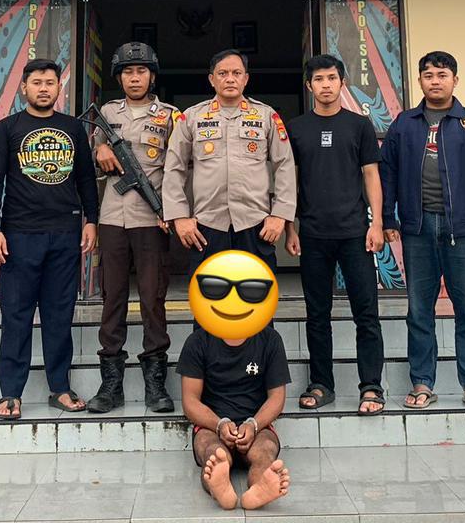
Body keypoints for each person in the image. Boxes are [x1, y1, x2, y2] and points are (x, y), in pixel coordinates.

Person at [379, 50, 465, 412]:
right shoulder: (404, 124)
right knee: (419, 311)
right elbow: (387, 174)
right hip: (417, 229)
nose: (435, 81)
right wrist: (388, 219)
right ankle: (422, 382)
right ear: (419, 81)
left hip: (463, 231)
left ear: (455, 80)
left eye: (442, 75)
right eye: (428, 75)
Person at [0, 59, 98, 419]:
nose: (44, 88)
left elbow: (85, 177)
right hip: (19, 234)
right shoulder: (7, 129)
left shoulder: (72, 128)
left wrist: (92, 220)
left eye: (50, 82)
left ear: (58, 88)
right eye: (37, 82)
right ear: (24, 88)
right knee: (16, 315)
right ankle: (10, 393)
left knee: (59, 314)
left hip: (65, 233)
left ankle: (60, 387)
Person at [284, 54, 387, 415]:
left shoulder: (359, 125)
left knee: (366, 314)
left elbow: (371, 175)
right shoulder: (296, 128)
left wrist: (377, 223)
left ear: (342, 83)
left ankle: (371, 386)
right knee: (317, 314)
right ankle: (321, 384)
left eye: (331, 78)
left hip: (355, 232)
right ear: (309, 85)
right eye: (319, 79)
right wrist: (291, 226)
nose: (325, 85)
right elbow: (290, 181)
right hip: (313, 233)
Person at [86, 42, 180, 414]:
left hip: (152, 219)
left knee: (153, 299)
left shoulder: (171, 116)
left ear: (152, 76)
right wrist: (100, 151)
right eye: (128, 72)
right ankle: (111, 383)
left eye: (141, 71)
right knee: (113, 298)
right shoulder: (107, 113)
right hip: (112, 217)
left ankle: (156, 381)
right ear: (119, 77)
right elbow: (91, 160)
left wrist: (171, 211)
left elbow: (178, 169)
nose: (135, 77)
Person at [162, 49, 297, 271]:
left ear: (246, 78)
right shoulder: (192, 117)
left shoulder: (266, 116)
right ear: (211, 79)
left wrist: (280, 215)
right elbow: (174, 168)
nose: (230, 79)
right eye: (222, 73)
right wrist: (179, 217)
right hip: (206, 225)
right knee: (209, 290)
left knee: (256, 290)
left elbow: (284, 165)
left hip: (256, 224)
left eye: (236, 73)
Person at [178, 307, 292, 510]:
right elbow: (190, 401)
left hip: (256, 424)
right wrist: (219, 424)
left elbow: (277, 397)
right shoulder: (198, 341)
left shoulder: (270, 339)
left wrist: (254, 424)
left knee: (264, 452)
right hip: (211, 425)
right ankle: (220, 488)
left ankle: (259, 490)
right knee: (213, 453)